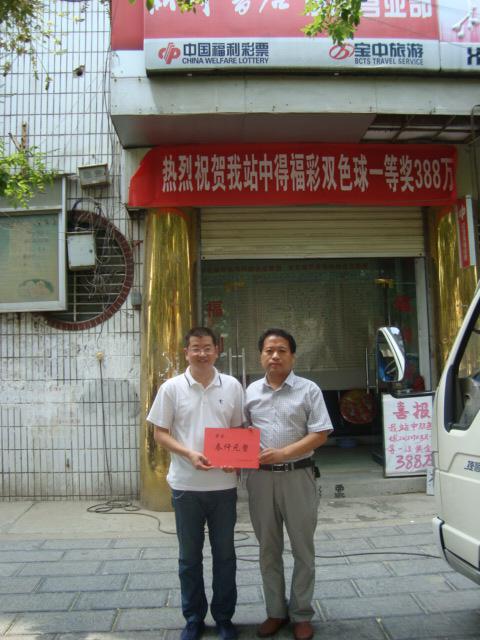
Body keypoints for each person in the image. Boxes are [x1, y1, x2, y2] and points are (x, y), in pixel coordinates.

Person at [147, 327, 244, 640]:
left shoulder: (232, 386)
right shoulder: (171, 388)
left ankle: (224, 618)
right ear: (186, 352)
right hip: (186, 487)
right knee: (189, 558)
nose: (202, 353)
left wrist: (235, 458)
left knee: (225, 556)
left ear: (217, 350)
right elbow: (160, 433)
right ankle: (193, 618)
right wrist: (188, 453)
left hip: (223, 487)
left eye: (207, 348)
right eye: (195, 348)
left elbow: (237, 431)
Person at [245, 328, 333, 640]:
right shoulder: (250, 392)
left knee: (302, 549)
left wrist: (283, 453)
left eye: (282, 350)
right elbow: (240, 435)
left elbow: (320, 433)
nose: (275, 356)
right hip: (260, 480)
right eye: (269, 351)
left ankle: (301, 613)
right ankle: (275, 611)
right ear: (261, 356)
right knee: (268, 549)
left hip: (299, 475)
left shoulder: (309, 390)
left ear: (292, 356)